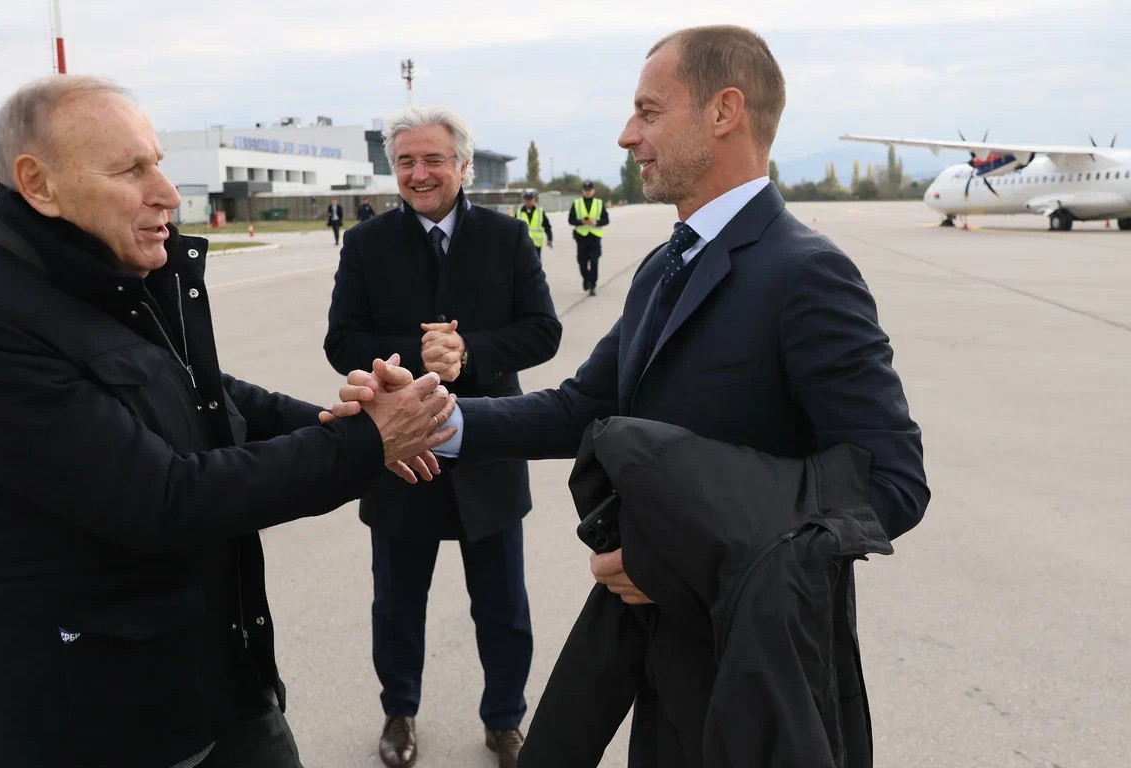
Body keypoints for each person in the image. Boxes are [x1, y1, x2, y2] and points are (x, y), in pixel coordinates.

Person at [332, 25, 929, 767]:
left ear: (723, 112)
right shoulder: (665, 266)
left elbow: (889, 482)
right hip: (661, 651)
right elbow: (584, 406)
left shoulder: (805, 273)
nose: (626, 134)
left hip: (758, 669)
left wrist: (676, 555)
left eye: (648, 112)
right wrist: (436, 419)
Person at [0, 75, 457, 768]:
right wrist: (358, 443)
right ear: (39, 184)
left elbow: (205, 394)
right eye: (131, 169)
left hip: (217, 676)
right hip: (102, 721)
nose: (167, 191)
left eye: (159, 161)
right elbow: (159, 499)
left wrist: (341, 419)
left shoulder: (112, 272)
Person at [324, 105, 562, 768]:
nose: (419, 173)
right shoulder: (366, 244)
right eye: (406, 161)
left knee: (503, 607)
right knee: (397, 604)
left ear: (462, 164)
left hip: (487, 447)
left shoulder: (508, 239)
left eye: (432, 160)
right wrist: (418, 355)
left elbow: (543, 330)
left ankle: (505, 721)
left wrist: (472, 354)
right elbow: (341, 339)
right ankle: (399, 714)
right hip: (399, 454)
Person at [568, 181, 608, 295]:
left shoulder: (599, 203)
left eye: (589, 190)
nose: (587, 192)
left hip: (595, 238)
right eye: (585, 190)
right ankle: (586, 279)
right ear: (582, 191)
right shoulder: (576, 204)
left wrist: (596, 222)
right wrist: (581, 221)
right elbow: (571, 220)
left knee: (594, 262)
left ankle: (592, 285)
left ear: (593, 191)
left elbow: (606, 220)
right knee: (582, 263)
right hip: (581, 238)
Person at [510, 191, 552, 258]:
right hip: (523, 245)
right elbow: (513, 228)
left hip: (536, 245)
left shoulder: (540, 212)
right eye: (527, 200)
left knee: (536, 265)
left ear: (534, 200)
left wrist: (550, 238)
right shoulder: (518, 212)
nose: (529, 202)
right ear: (524, 201)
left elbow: (547, 226)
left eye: (530, 200)